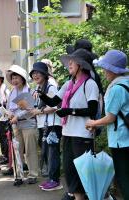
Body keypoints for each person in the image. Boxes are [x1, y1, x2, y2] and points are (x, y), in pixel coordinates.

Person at [38, 49, 100, 200]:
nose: (69, 64)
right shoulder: (69, 83)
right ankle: (78, 197)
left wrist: (69, 111)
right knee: (70, 170)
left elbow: (92, 110)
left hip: (83, 134)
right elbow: (54, 102)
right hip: (68, 133)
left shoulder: (90, 84)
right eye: (69, 62)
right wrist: (41, 94)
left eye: (73, 61)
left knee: (82, 173)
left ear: (81, 65)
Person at [86, 50, 129, 200]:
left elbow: (110, 117)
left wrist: (94, 123)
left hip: (121, 140)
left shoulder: (117, 88)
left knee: (124, 178)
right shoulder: (127, 83)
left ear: (111, 69)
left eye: (105, 68)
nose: (103, 71)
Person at [28, 62, 63, 191]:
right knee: (49, 153)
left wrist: (38, 111)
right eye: (33, 73)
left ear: (44, 74)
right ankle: (51, 179)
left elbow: (54, 106)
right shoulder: (41, 87)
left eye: (38, 73)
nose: (35, 75)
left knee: (53, 153)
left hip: (53, 125)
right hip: (46, 124)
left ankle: (55, 181)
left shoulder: (51, 86)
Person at [5, 65, 38, 185]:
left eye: (16, 77)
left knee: (30, 151)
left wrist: (16, 116)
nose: (14, 80)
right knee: (17, 151)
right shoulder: (12, 92)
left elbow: (29, 108)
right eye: (12, 78)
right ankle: (18, 175)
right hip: (16, 126)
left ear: (22, 78)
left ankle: (33, 174)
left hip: (29, 124)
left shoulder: (29, 90)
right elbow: (9, 107)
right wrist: (9, 114)